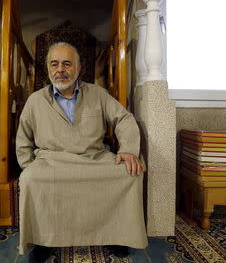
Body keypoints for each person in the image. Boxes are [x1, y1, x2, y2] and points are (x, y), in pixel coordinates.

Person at [16, 42, 148, 262]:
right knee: (30, 178)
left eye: (67, 64)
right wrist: (29, 165)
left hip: (94, 159)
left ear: (78, 69)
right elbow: (23, 139)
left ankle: (115, 234)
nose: (60, 70)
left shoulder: (98, 94)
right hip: (52, 161)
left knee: (129, 172)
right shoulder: (35, 101)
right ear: (48, 68)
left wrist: (128, 150)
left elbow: (124, 118)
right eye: (54, 64)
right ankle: (43, 240)